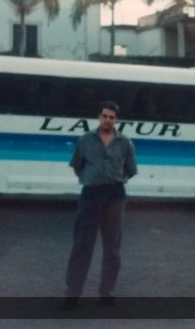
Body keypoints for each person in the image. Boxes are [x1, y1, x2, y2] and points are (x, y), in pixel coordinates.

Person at [62, 100, 137, 309]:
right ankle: (72, 294)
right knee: (82, 245)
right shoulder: (85, 140)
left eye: (112, 117)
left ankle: (107, 292)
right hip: (90, 196)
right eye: (104, 116)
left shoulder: (125, 143)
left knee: (112, 248)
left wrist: (112, 179)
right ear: (99, 117)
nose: (108, 120)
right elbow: (77, 166)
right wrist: (92, 178)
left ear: (117, 120)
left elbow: (130, 169)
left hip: (115, 196)